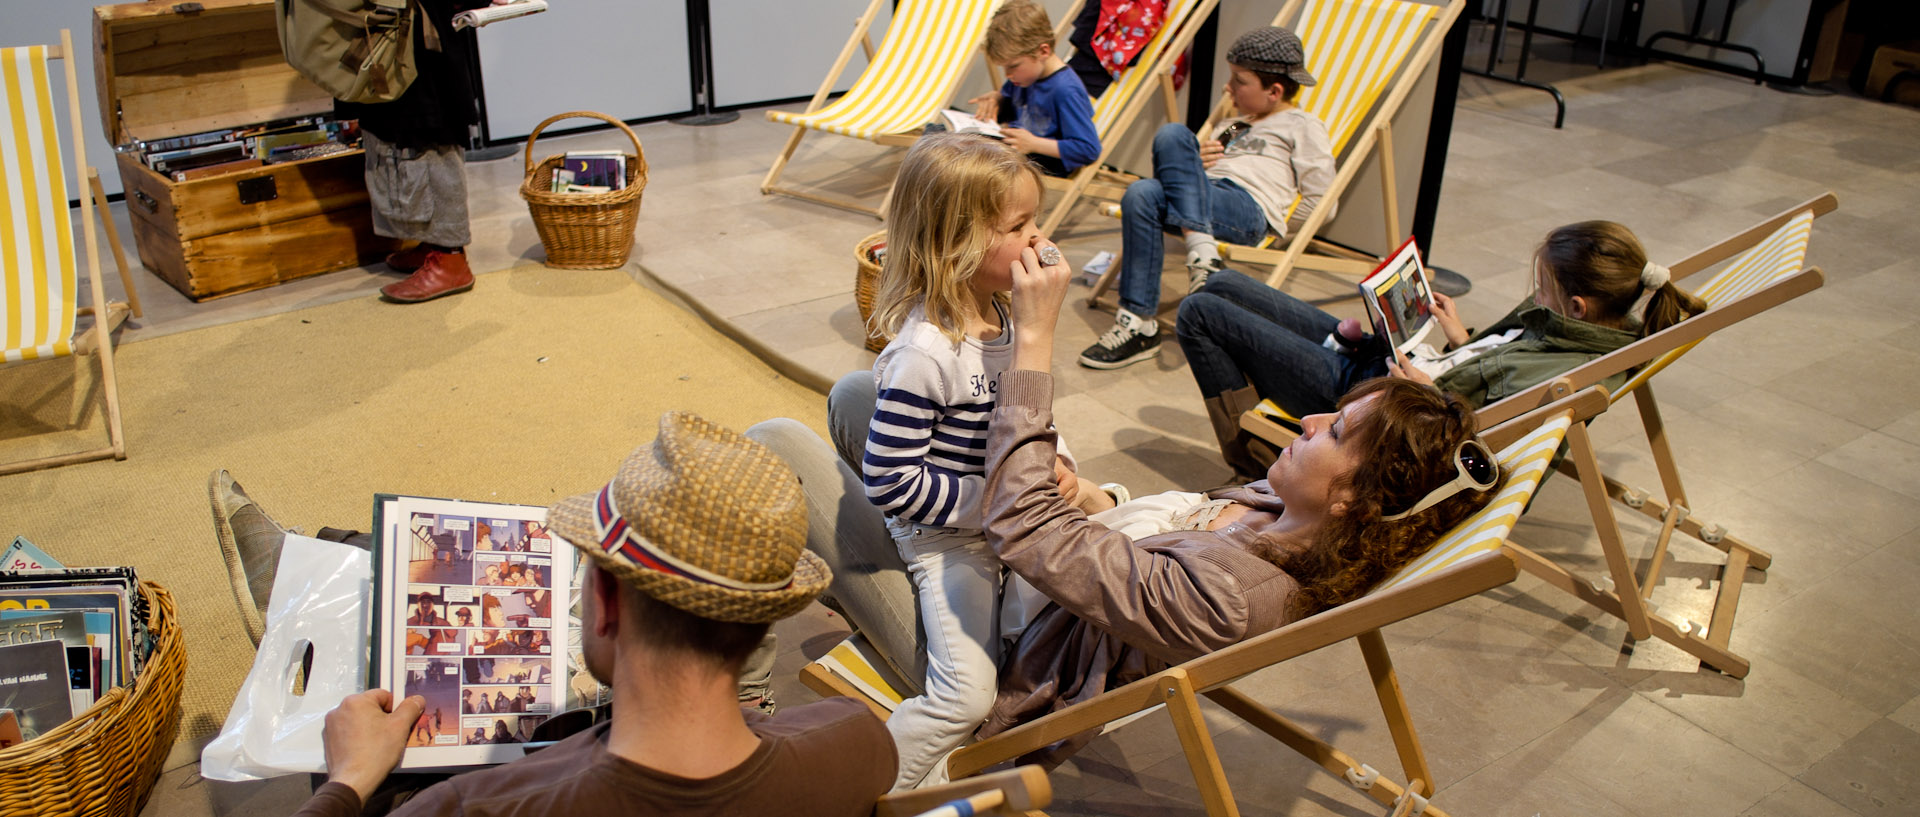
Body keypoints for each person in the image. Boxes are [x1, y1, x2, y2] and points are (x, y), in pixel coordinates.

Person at [747, 243, 1500, 767]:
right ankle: (882, 546)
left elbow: (1022, 522)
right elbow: (1117, 530)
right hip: (1028, 570)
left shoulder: (1234, 595)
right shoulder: (1277, 514)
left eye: (1333, 430)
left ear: (1350, 500)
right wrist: (1098, 494)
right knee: (861, 396)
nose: (1306, 421)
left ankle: (747, 680)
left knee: (776, 437)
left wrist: (1031, 343)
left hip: (993, 649)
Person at [283, 412, 895, 817]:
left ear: (602, 601)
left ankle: (336, 585)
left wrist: (349, 782)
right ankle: (345, 556)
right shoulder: (857, 744)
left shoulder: (465, 807)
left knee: (366, 730)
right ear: (766, 620)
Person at [860, 133, 1112, 790]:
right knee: (966, 697)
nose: (1040, 239)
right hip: (950, 539)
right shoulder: (925, 354)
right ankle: (868, 789)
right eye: (1020, 226)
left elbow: (1026, 417)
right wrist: (992, 501)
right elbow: (889, 480)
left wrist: (1054, 464)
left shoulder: (1006, 316)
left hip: (1009, 524)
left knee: (1041, 651)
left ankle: (964, 777)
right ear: (956, 244)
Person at [1178, 220, 1704, 476]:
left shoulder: (1569, 372)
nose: (1535, 294)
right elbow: (1491, 367)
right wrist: (1461, 339)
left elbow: (1474, 449)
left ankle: (1257, 459)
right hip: (1408, 368)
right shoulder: (1589, 329)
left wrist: (1429, 398)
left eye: (1544, 287)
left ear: (1578, 306)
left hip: (1384, 403)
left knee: (1200, 313)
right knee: (1223, 286)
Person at [1079, 26, 1336, 370]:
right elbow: (1190, 178)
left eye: (1239, 81)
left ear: (1274, 91)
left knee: (1171, 134)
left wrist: (1281, 231)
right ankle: (1140, 321)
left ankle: (1199, 257)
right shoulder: (1233, 126)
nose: (1227, 88)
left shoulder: (1301, 125)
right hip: (1204, 199)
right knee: (1143, 188)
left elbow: (1324, 202)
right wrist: (1193, 164)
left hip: (1247, 207)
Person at [334, 0, 503, 304]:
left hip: (419, 38)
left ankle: (450, 258)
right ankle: (432, 243)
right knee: (397, 133)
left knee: (429, 136)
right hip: (391, 31)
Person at [965, 0, 1101, 178]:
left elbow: (1088, 149)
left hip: (1038, 168)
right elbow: (1010, 102)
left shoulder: (1065, 89)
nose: (1008, 75)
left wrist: (1034, 144)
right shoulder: (1025, 77)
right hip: (1014, 156)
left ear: (1043, 51)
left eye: (1013, 66)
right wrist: (997, 99)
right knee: (943, 139)